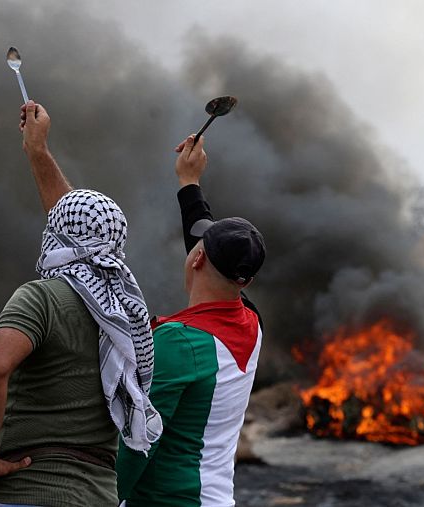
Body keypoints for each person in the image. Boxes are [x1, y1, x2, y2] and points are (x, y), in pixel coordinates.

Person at [0, 100, 161, 507]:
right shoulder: (125, 312)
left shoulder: (41, 298)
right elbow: (82, 225)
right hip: (98, 495)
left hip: (28, 492)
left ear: (58, 236)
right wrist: (37, 151)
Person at [116, 134, 266, 507]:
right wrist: (189, 182)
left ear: (197, 259)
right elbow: (203, 243)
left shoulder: (178, 343)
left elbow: (137, 442)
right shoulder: (251, 323)